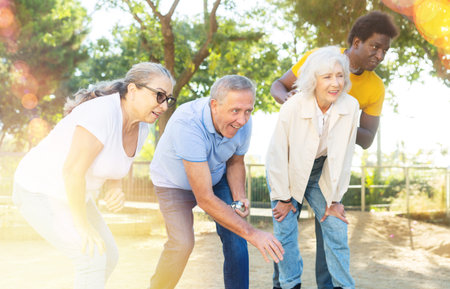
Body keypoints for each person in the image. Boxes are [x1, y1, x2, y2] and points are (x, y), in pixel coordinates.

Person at [12, 62, 175, 289]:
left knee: (109, 256)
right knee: (91, 257)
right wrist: (82, 225)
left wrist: (115, 188)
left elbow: (116, 162)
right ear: (132, 90)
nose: (165, 105)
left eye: (168, 99)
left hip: (73, 194)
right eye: (159, 95)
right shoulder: (102, 112)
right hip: (38, 190)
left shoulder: (143, 128)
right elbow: (72, 171)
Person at [270, 11, 399, 289]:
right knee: (285, 227)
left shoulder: (365, 94)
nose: (379, 55)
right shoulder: (316, 59)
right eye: (374, 47)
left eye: (384, 51)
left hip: (326, 163)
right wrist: (293, 104)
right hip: (294, 159)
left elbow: (363, 140)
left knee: (332, 224)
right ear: (356, 42)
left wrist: (341, 122)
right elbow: (279, 87)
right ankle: (284, 284)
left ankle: (333, 286)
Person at [149, 75, 284, 289]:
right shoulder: (188, 123)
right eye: (235, 111)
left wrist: (239, 197)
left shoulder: (243, 123)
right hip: (173, 184)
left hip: (215, 175)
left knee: (236, 237)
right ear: (214, 105)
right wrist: (253, 233)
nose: (242, 119)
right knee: (183, 243)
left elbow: (236, 161)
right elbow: (204, 198)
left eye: (248, 111)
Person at [266, 46, 359, 289]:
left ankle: (344, 286)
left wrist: (335, 199)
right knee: (285, 232)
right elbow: (277, 155)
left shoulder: (350, 106)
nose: (335, 83)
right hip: (286, 172)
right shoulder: (294, 105)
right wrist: (284, 198)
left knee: (336, 225)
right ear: (313, 80)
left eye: (339, 76)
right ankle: (289, 285)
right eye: (327, 77)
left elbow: (344, 156)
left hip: (320, 173)